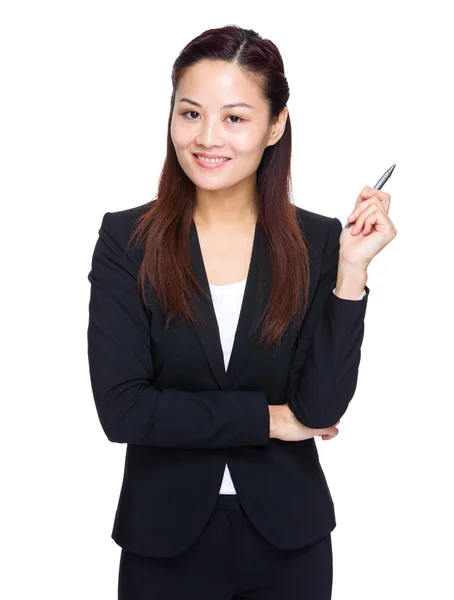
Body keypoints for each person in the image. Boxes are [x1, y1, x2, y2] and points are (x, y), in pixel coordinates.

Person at [87, 24, 397, 600]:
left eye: (235, 117)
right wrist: (271, 421)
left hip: (289, 543)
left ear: (275, 124)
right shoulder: (126, 240)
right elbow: (124, 410)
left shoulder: (320, 243)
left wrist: (352, 273)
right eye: (190, 113)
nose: (207, 137)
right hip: (164, 541)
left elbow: (321, 406)